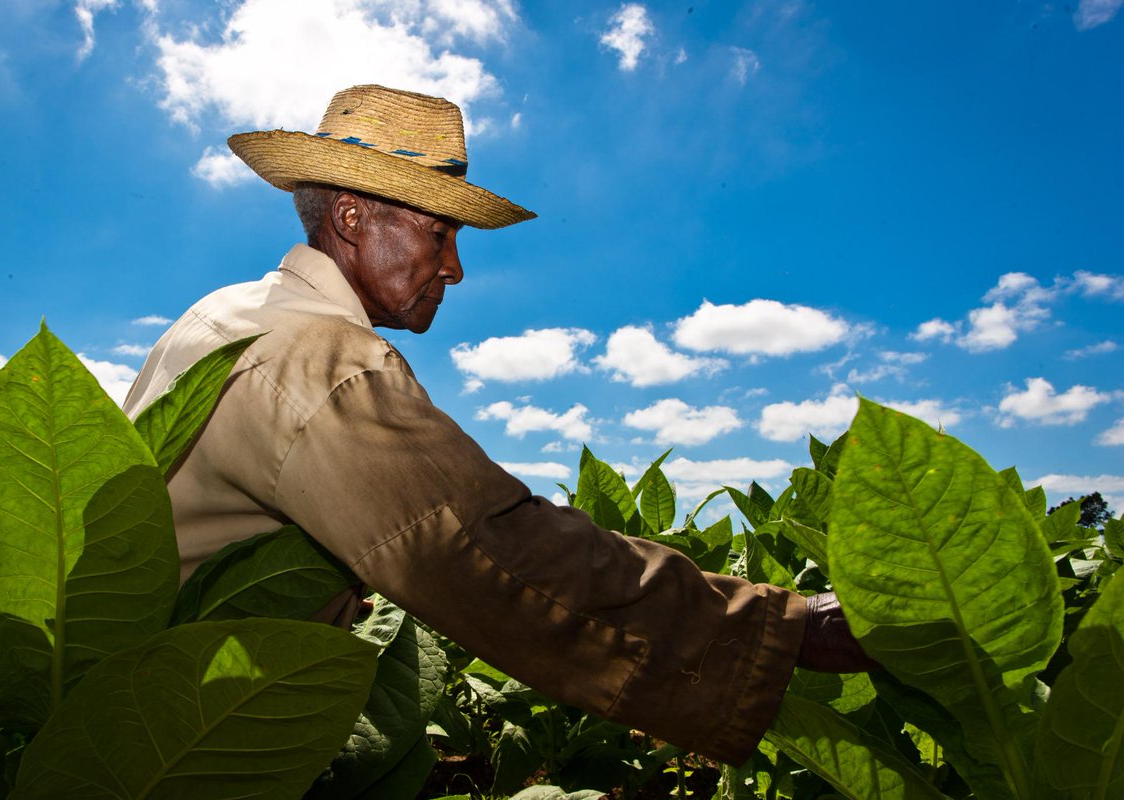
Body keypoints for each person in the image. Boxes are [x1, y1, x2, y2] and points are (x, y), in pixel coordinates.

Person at [120, 84, 877, 768]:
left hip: (120, 719)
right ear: (351, 220)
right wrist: (788, 628)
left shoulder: (227, 315)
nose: (454, 269)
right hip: (173, 752)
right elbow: (488, 550)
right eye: (438, 235)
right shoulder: (323, 357)